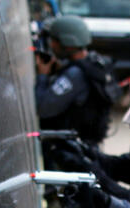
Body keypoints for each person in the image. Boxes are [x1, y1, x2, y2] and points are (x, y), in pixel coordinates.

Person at [35, 16, 114, 147]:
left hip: (68, 149)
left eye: (54, 40)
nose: (51, 44)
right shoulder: (93, 61)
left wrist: (42, 76)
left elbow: (43, 108)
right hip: (85, 144)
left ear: (67, 43)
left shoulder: (75, 74)